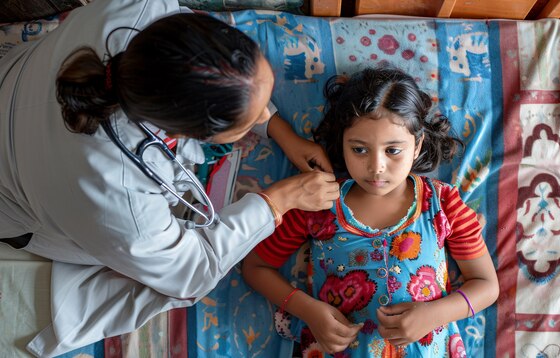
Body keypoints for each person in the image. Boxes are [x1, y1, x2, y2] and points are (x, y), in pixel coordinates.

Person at [0, 0, 338, 356]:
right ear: (191, 133)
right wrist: (279, 200)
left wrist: (279, 129)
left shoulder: (138, 8)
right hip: (18, 204)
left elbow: (212, 75)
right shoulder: (120, 196)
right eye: (244, 122)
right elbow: (192, 273)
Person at [242, 67, 500, 357]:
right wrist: (309, 311)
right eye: (360, 150)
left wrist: (435, 314)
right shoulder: (318, 203)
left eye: (393, 151)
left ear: (417, 147)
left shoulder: (443, 203)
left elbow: (487, 286)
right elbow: (255, 268)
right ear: (342, 144)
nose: (376, 167)